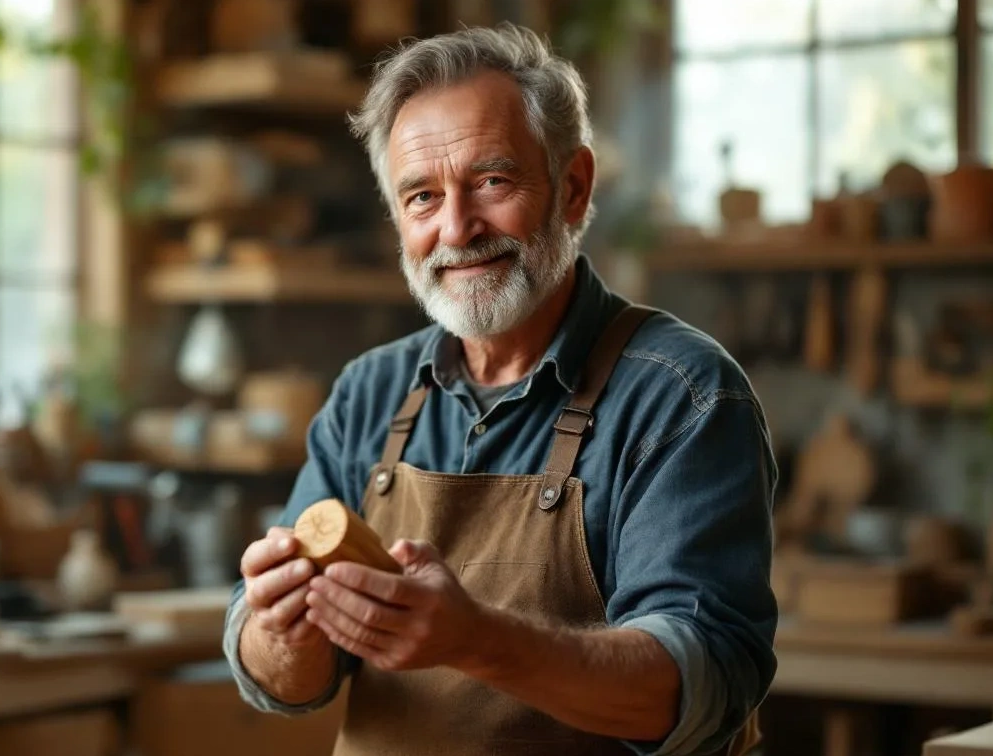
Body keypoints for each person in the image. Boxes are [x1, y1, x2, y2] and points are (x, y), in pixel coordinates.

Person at [222, 22, 777, 756]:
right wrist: (276, 628)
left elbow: (698, 686)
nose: (457, 229)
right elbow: (287, 685)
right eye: (421, 196)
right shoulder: (369, 393)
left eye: (492, 181)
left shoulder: (683, 395)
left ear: (572, 189)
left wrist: (477, 640)